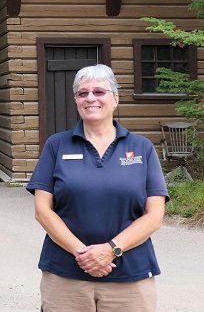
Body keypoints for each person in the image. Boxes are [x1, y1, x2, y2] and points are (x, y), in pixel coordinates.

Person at [26, 64, 169, 312]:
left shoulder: (142, 148)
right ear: (76, 101)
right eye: (83, 93)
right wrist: (84, 254)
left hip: (130, 277)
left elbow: (155, 216)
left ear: (116, 99)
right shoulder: (56, 145)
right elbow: (43, 210)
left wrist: (111, 250)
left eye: (99, 92)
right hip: (66, 276)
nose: (90, 98)